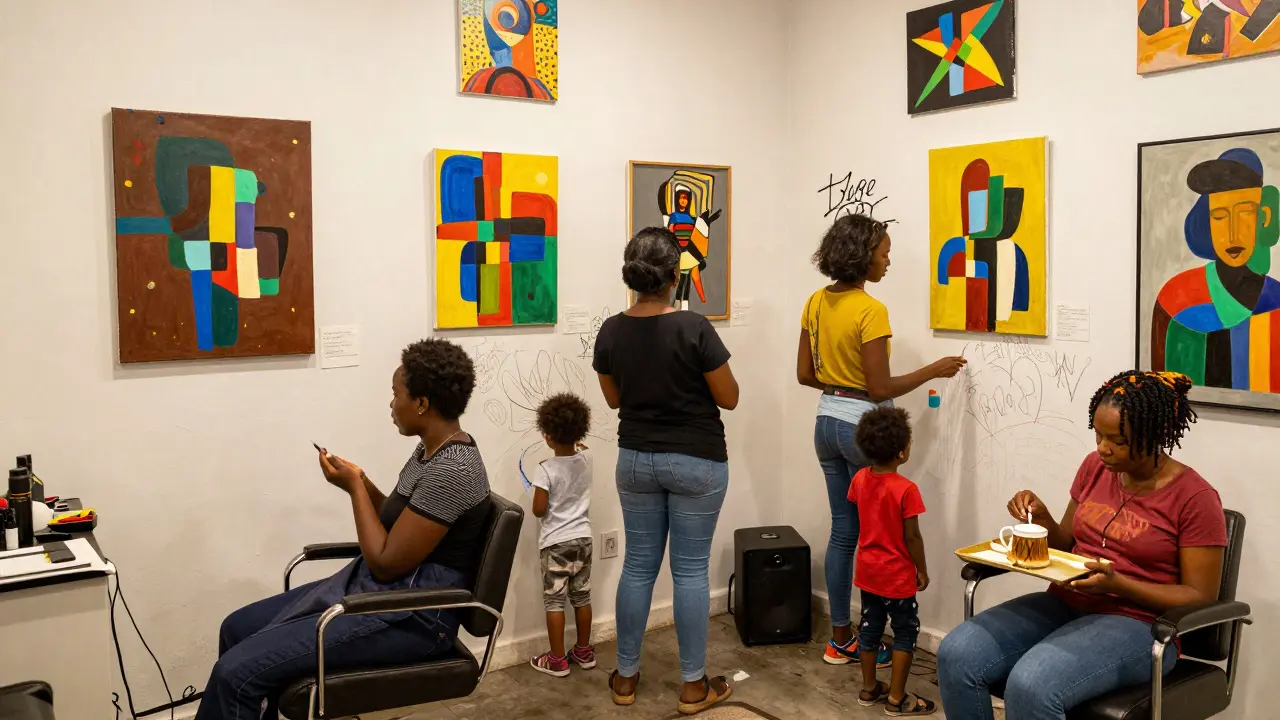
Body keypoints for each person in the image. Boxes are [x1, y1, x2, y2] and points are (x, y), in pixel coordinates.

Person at [195, 339, 489, 719]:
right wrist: (361, 481)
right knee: (236, 628)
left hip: (415, 615)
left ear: (421, 404)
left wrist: (353, 491)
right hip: (389, 593)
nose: (390, 403)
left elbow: (385, 562)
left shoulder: (453, 470)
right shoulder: (430, 451)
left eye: (395, 394)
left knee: (235, 674)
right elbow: (397, 521)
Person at [936, 371, 1228, 720]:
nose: (1102, 448)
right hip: (1066, 601)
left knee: (1032, 683)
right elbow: (1066, 543)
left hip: (1141, 626)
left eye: (1116, 440)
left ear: (1154, 435)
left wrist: (1119, 584)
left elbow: (1200, 596)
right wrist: (1042, 518)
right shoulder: (1095, 468)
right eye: (1098, 434)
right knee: (956, 653)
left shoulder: (1195, 497)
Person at [796, 213, 965, 666]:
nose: (888, 260)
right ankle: (872, 641)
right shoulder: (870, 310)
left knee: (843, 532)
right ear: (862, 255)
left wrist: (838, 386)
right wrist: (934, 369)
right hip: (861, 429)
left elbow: (804, 374)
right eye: (884, 252)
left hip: (826, 423)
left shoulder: (815, 301)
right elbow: (879, 389)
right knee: (881, 537)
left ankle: (840, 639)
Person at [594, 226, 740, 715]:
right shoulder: (694, 327)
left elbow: (614, 399)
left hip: (634, 458)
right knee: (691, 572)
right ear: (674, 274)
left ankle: (626, 679)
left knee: (637, 566)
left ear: (631, 275)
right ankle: (694, 687)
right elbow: (730, 397)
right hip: (696, 459)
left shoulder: (611, 329)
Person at [848, 407, 934, 716]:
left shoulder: (859, 479)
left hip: (868, 573)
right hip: (897, 577)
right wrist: (921, 570)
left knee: (869, 628)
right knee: (904, 633)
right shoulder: (906, 490)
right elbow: (912, 536)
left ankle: (869, 689)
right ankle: (897, 699)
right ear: (900, 451)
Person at [529, 393, 597, 677]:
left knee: (554, 602)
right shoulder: (587, 458)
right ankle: (583, 650)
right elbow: (583, 446)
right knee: (582, 597)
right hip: (583, 540)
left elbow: (538, 510)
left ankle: (557, 659)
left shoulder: (545, 469)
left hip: (556, 543)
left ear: (547, 436)